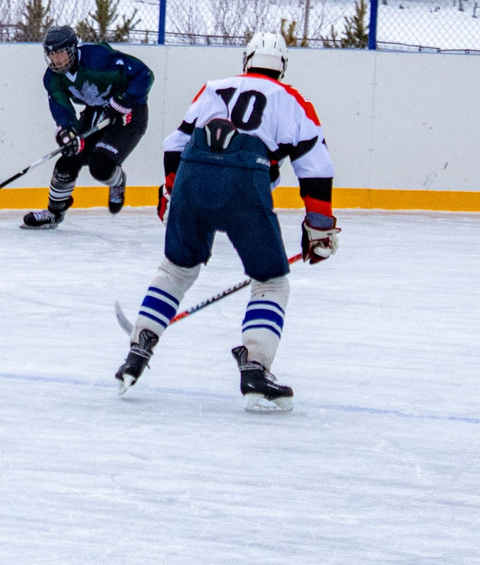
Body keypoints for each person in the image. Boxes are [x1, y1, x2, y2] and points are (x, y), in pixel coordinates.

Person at [116, 32, 338, 410]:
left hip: (192, 176)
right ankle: (255, 366)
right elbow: (315, 167)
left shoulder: (214, 88)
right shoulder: (294, 100)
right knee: (270, 282)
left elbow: (174, 144)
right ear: (282, 67)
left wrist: (170, 192)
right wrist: (319, 226)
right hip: (245, 184)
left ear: (246, 60)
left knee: (175, 271)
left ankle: (138, 349)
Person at [22, 24, 156, 228]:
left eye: (61, 53)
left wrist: (123, 100)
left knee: (101, 167)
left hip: (128, 114)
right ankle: (54, 214)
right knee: (66, 162)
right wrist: (67, 131)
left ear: (73, 49)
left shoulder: (99, 59)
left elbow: (144, 74)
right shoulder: (52, 78)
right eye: (52, 54)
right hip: (97, 113)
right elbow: (61, 107)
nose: (56, 59)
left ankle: (117, 181)